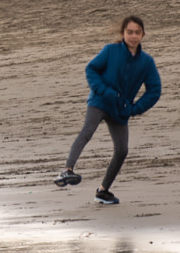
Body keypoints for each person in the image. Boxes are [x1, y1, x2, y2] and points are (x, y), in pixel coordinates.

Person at [55, 13, 161, 205]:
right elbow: (91, 69)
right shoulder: (110, 50)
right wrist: (104, 91)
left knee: (122, 150)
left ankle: (103, 191)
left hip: (121, 110)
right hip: (99, 102)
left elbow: (154, 91)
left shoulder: (147, 62)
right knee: (87, 132)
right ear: (123, 33)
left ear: (143, 35)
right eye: (130, 32)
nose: (133, 36)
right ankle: (68, 170)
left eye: (137, 32)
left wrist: (134, 108)